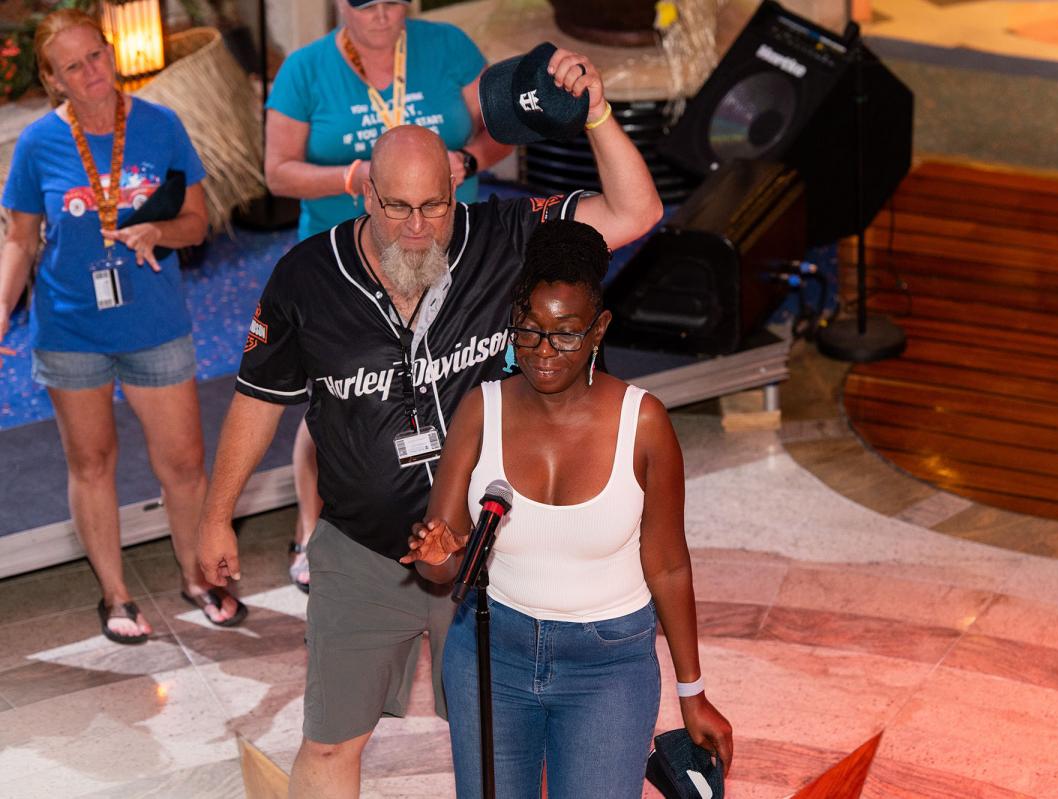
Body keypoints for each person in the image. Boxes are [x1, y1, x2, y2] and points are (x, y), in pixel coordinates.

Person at [197, 47, 661, 798]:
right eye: (396, 208)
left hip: (488, 557)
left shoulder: (505, 238)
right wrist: (217, 515)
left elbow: (637, 212)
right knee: (329, 742)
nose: (417, 229)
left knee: (503, 747)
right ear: (365, 195)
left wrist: (598, 112)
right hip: (361, 550)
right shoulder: (306, 279)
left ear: (457, 186)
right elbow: (257, 399)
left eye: (434, 206)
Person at [402, 219, 733, 798]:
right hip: (491, 652)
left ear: (599, 328)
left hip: (609, 665)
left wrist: (692, 691)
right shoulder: (480, 412)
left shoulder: (643, 422)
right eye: (528, 331)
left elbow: (667, 564)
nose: (543, 352)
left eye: (566, 334)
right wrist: (437, 558)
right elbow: (445, 565)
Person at [0, 9, 244, 644]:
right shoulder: (38, 144)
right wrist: (1, 310)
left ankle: (197, 577)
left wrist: (158, 231)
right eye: (73, 66)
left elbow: (197, 223)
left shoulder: (161, 126)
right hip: (70, 329)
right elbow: (20, 240)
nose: (92, 72)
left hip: (153, 321)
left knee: (184, 462)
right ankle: (115, 594)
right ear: (53, 80)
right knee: (91, 463)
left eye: (97, 55)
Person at [265, 0, 511, 595]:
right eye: (365, 3)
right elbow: (277, 172)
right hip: (348, 263)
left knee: (451, 385)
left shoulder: (448, 46)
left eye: (392, 0)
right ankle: (310, 527)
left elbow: (500, 130)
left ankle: (453, 517)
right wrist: (358, 179)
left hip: (444, 253)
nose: (380, 14)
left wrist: (468, 160)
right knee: (338, 401)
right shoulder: (304, 69)